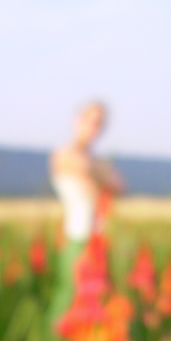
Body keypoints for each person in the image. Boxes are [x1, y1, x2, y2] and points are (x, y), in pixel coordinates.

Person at [48, 101, 125, 326]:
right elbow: (94, 178)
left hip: (97, 236)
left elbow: (119, 185)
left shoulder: (93, 159)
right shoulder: (64, 153)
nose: (94, 128)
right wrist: (99, 172)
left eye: (100, 123)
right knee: (69, 296)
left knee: (95, 298)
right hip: (76, 236)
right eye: (90, 121)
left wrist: (97, 171)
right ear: (77, 120)